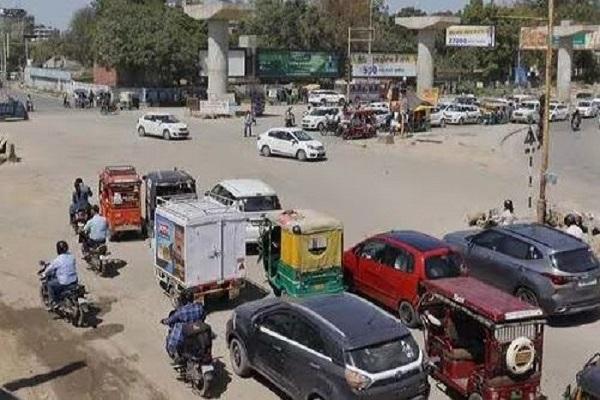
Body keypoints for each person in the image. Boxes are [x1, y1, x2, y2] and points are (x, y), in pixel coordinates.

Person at [163, 289, 205, 360]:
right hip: (197, 333)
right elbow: (203, 317)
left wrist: (164, 321)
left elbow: (170, 320)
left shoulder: (181, 311)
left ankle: (176, 356)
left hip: (186, 335)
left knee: (172, 340)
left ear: (183, 299)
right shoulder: (199, 308)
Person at [44, 241, 78, 308]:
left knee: (50, 284)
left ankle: (53, 302)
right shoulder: (72, 257)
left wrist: (44, 273)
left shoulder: (58, 260)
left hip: (64, 282)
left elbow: (50, 268)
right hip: (74, 280)